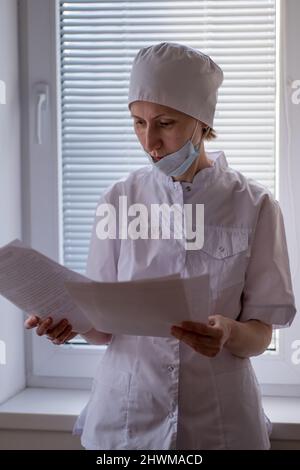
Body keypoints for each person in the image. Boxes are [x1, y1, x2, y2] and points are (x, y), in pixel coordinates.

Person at [25, 42, 296, 450]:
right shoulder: (118, 200)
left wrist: (227, 333)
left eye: (165, 123)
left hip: (220, 424)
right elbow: (102, 326)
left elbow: (260, 332)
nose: (150, 141)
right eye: (138, 122)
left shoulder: (254, 206)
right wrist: (68, 323)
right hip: (128, 417)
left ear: (203, 122)